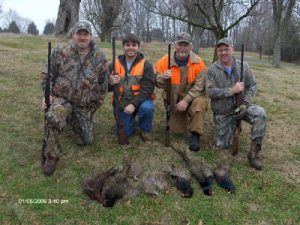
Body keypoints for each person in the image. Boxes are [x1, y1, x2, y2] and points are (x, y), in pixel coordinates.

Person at [41, 21, 109, 176]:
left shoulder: (99, 56)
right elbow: (47, 74)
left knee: (85, 141)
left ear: (91, 36)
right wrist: (47, 95)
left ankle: (74, 120)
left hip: (84, 104)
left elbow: (103, 84)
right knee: (53, 117)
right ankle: (51, 156)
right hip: (62, 98)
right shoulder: (60, 51)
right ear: (73, 35)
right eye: (79, 34)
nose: (82, 37)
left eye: (86, 34)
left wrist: (94, 106)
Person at [205, 37, 267, 170]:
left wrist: (245, 102)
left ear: (232, 49)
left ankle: (254, 153)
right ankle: (233, 125)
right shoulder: (212, 70)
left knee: (260, 114)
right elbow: (209, 92)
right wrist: (231, 91)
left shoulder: (243, 66)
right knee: (221, 144)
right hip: (223, 112)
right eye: (220, 50)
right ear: (217, 51)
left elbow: (252, 86)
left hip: (242, 107)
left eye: (226, 49)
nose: (223, 53)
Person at [155, 32, 207, 151]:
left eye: (186, 45)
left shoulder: (199, 63)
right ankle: (182, 118)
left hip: (191, 99)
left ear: (191, 47)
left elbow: (199, 86)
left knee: (200, 102)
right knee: (177, 131)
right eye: (180, 44)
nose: (182, 48)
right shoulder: (164, 60)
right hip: (173, 101)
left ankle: (195, 135)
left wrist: (186, 100)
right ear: (175, 45)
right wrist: (163, 77)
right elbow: (156, 82)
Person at [109, 33, 156, 144]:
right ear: (123, 46)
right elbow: (105, 87)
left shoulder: (146, 65)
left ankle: (145, 130)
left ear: (138, 47)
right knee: (125, 132)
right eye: (127, 45)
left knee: (147, 108)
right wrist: (109, 82)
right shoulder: (114, 64)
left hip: (141, 101)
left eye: (134, 45)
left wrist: (134, 104)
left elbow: (147, 90)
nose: (131, 47)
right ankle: (130, 121)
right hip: (122, 103)